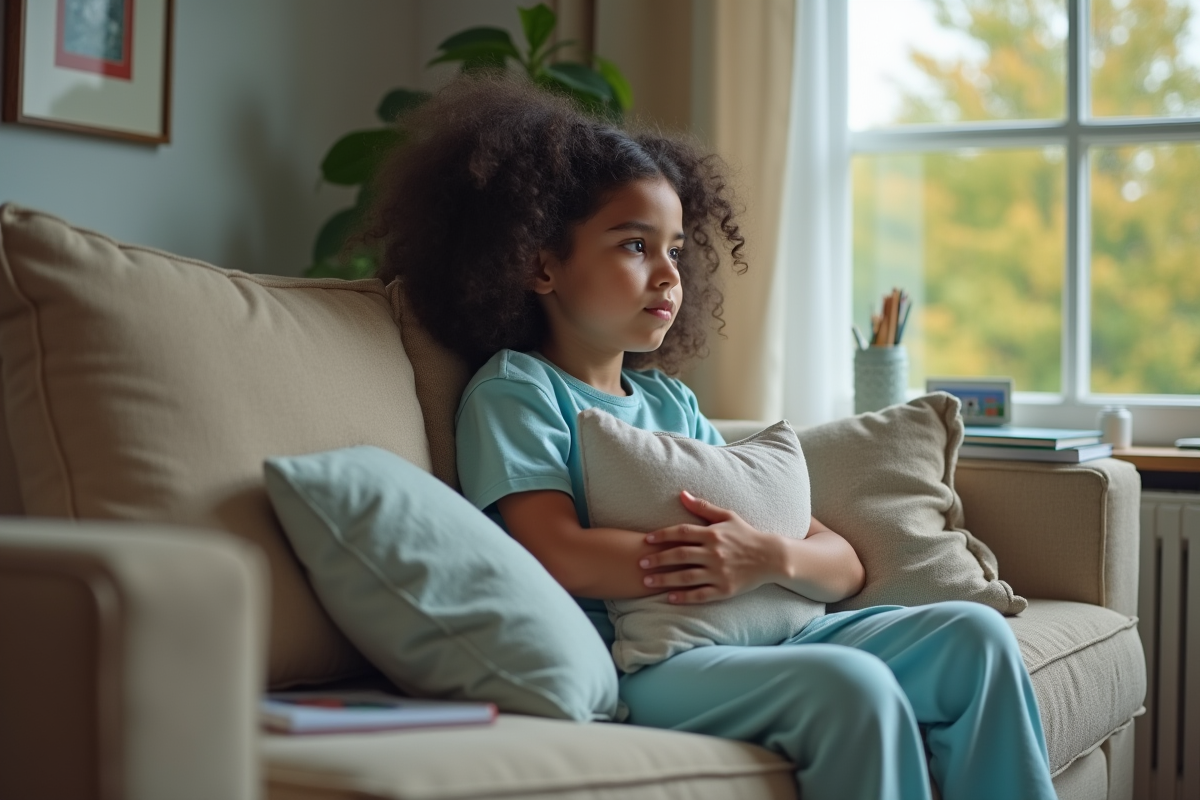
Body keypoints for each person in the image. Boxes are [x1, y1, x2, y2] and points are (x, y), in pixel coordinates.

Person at [371, 75, 1057, 800]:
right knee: (852, 686)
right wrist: (713, 561)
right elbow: (557, 554)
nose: (670, 275)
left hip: (776, 631)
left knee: (973, 639)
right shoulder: (517, 391)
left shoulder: (673, 404)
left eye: (675, 250)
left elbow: (843, 565)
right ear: (541, 264)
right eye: (635, 245)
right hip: (656, 662)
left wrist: (764, 556)